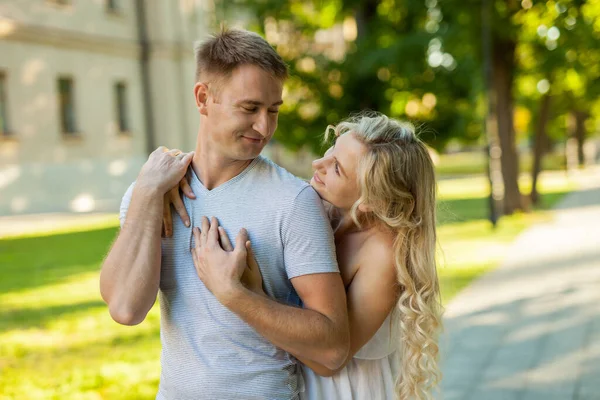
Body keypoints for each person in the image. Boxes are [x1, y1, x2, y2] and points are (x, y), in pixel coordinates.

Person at [99, 28, 350, 400]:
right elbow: (124, 308)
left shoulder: (293, 201)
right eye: (249, 108)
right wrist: (147, 194)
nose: (264, 127)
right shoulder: (152, 192)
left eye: (273, 111)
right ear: (204, 98)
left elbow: (334, 348)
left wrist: (235, 294)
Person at [168, 113, 443, 399]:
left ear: (373, 200)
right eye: (330, 153)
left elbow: (328, 359)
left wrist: (245, 293)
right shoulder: (319, 211)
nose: (317, 165)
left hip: (347, 389)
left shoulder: (383, 253)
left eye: (336, 169)